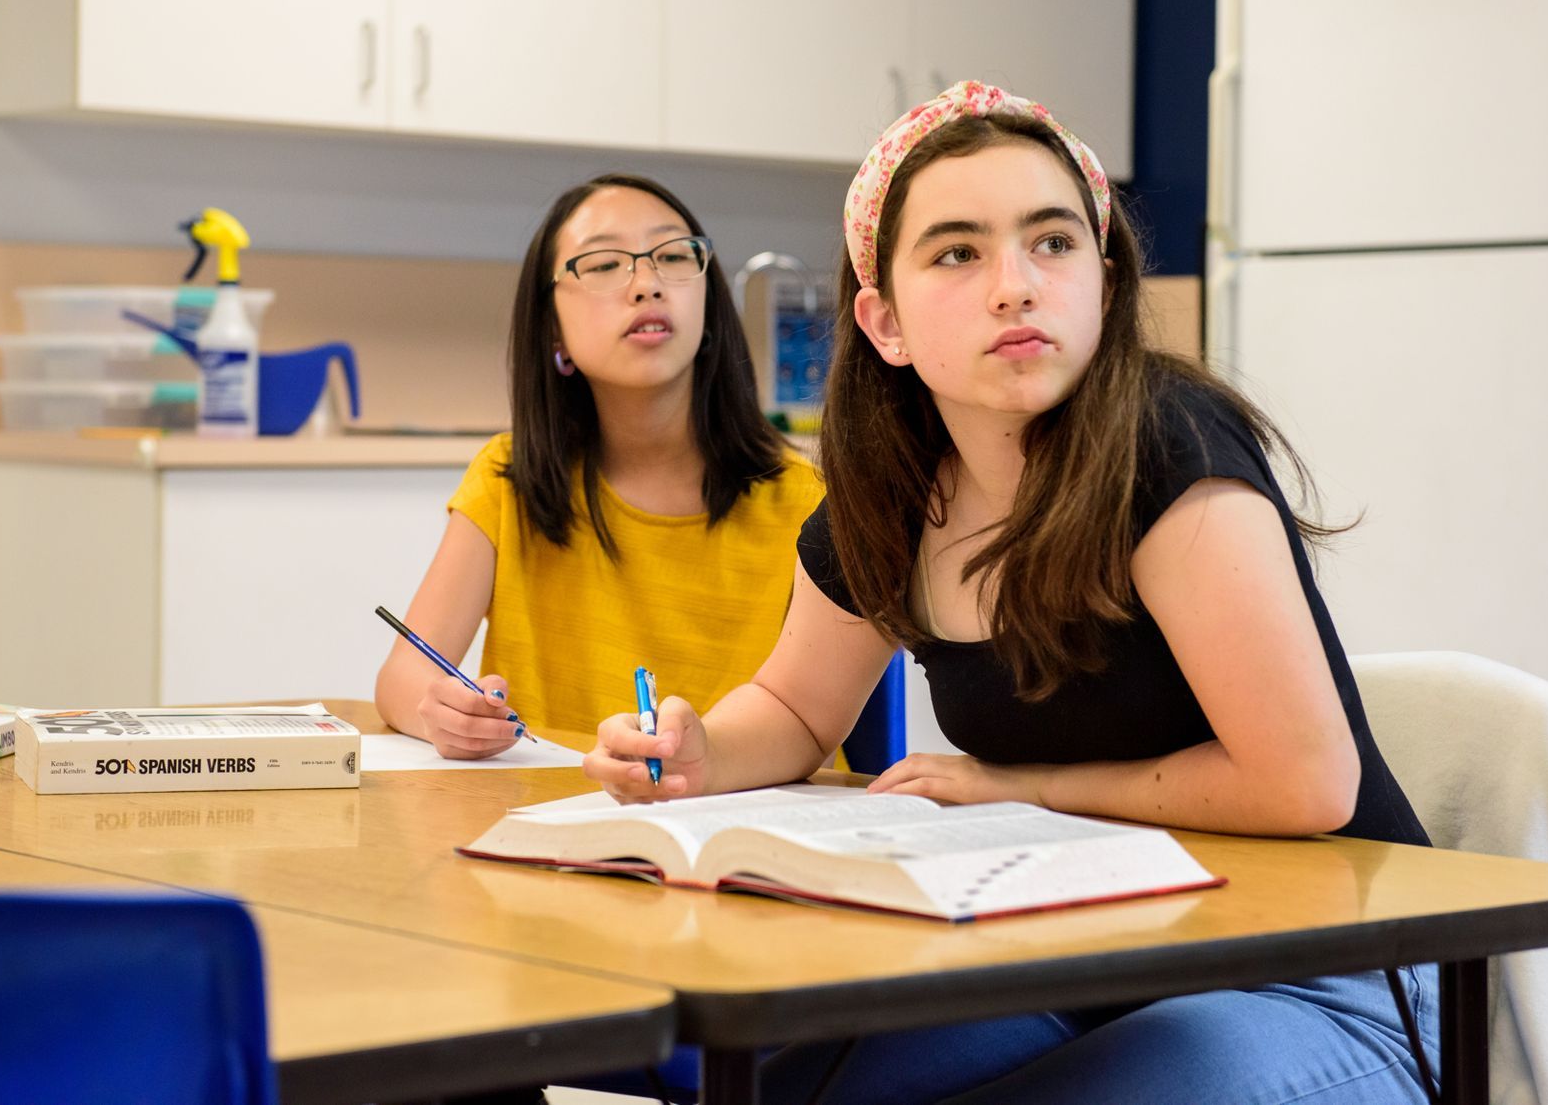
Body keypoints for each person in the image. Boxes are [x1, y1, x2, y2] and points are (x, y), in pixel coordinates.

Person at [585, 83, 1441, 1103]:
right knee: (805, 1086)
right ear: (885, 321)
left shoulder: (1168, 456)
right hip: (1087, 948)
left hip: (1323, 975)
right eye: (957, 252)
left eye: (1053, 243)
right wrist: (698, 754)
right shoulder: (897, 497)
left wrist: (1025, 787)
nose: (1015, 286)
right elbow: (797, 705)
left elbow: (1306, 784)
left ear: (1108, 283)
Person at [375, 173, 823, 759]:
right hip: (544, 821)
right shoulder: (509, 478)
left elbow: (813, 725)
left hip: (742, 819)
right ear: (552, 328)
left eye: (671, 255)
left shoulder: (805, 501)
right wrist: (441, 712)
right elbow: (401, 679)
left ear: (710, 308)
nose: (646, 283)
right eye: (604, 264)